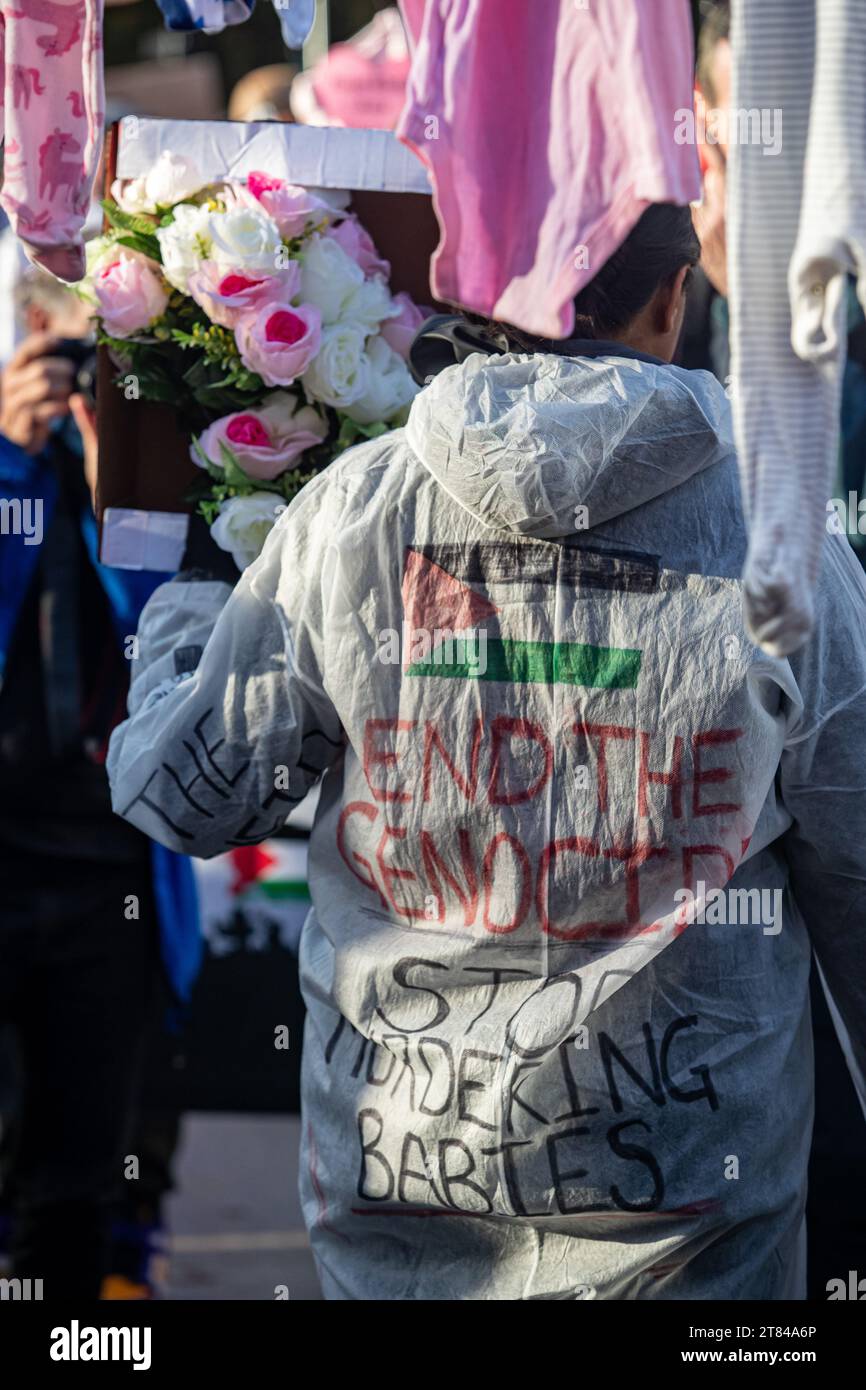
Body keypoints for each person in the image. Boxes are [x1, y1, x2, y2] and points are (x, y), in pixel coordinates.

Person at [106, 202, 866, 1300]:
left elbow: (185, 795)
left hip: (404, 1230)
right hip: (695, 1251)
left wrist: (184, 594)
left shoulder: (347, 514)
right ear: (671, 298)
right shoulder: (777, 534)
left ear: (466, 293)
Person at [0, 269, 200, 1299]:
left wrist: (108, 487)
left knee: (79, 1188)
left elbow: (160, 654)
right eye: (45, 329)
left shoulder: (132, 458)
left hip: (109, 871)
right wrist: (9, 468)